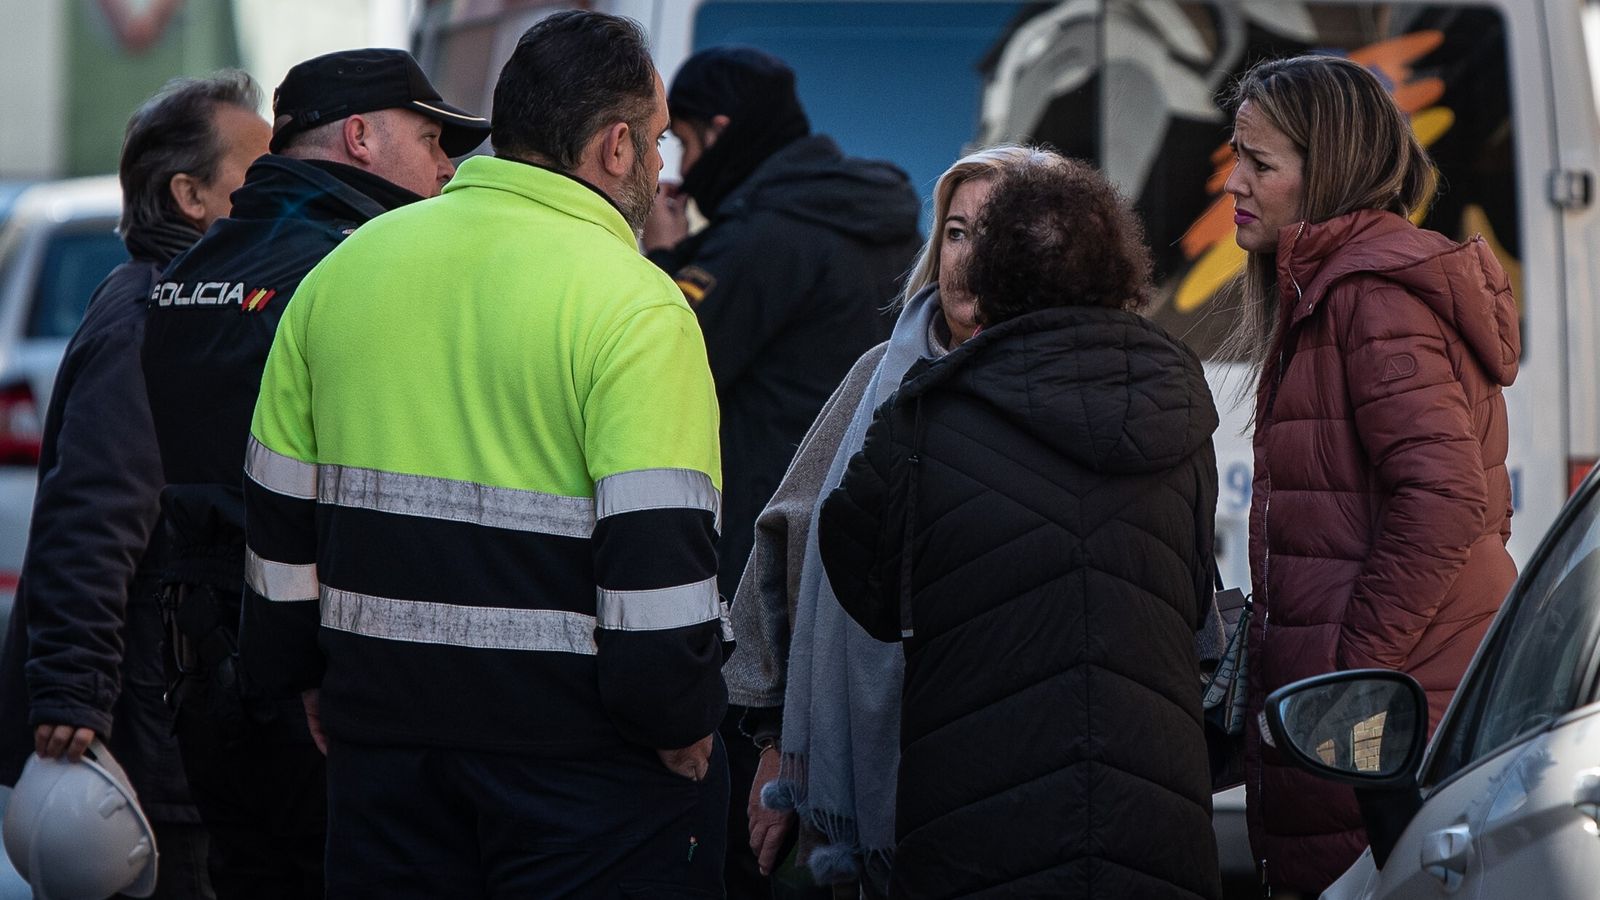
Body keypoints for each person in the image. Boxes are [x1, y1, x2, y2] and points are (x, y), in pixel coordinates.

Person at [237, 12, 729, 898]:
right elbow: (659, 566)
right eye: (657, 142)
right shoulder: (638, 308)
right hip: (581, 778)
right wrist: (678, 720)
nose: (664, 167)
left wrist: (303, 675)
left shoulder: (340, 275)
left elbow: (278, 522)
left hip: (382, 755)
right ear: (614, 147)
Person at [818, 155, 1223, 900]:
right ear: (1115, 269)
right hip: (1154, 823)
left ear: (994, 276)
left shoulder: (926, 414)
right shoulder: (1183, 408)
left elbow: (861, 581)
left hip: (979, 827)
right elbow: (1198, 601)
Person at [139, 48, 489, 899]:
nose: (448, 164)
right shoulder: (357, 269)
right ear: (362, 137)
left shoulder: (193, 267)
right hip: (324, 674)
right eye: (434, 137)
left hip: (203, 666)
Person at [1222, 54, 1519, 896]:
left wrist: (1348, 680)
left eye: (1261, 163)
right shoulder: (1337, 289)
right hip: (1380, 706)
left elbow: (1443, 496)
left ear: (1332, 170)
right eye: (1237, 155)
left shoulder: (1371, 299)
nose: (1235, 182)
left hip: (1388, 712)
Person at [641, 46, 922, 897]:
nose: (681, 175)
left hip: (755, 578)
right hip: (849, 577)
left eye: (683, 144)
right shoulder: (876, 222)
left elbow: (660, 360)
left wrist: (654, 256)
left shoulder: (764, 239)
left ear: (722, 131)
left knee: (742, 842)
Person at [725, 145, 1036, 896]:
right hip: (864, 768)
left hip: (1009, 766)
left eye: (990, 236)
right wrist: (775, 740)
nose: (965, 258)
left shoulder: (1061, 385)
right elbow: (787, 537)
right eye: (955, 233)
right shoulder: (880, 375)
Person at [0, 71, 269, 900]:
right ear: (190, 194)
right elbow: (94, 516)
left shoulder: (190, 303)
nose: (278, 194)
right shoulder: (152, 317)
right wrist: (73, 695)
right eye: (256, 177)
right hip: (139, 739)